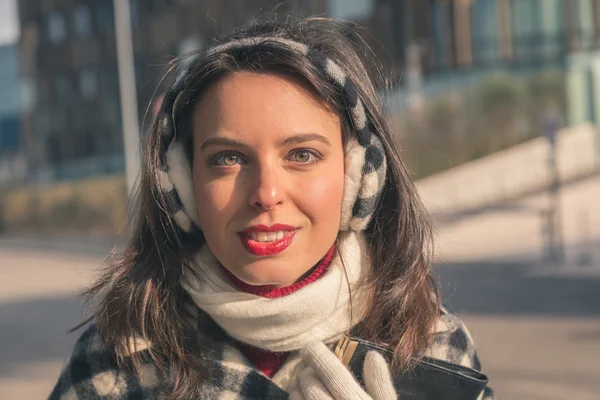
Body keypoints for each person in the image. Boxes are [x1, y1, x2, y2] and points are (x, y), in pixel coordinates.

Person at [49, 17, 495, 400]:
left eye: (301, 154)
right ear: (183, 187)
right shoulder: (119, 360)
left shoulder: (430, 347)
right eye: (228, 158)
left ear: (356, 179)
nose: (266, 192)